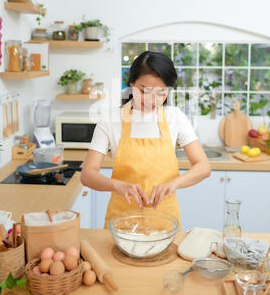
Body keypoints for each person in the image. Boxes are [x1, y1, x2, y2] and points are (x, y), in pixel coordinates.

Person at [81, 51, 211, 230]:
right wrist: (117, 185)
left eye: (161, 93)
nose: (152, 100)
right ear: (131, 84)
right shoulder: (111, 119)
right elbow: (87, 174)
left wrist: (174, 183)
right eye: (144, 91)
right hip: (121, 225)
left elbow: (203, 166)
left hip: (165, 224)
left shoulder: (174, 117)